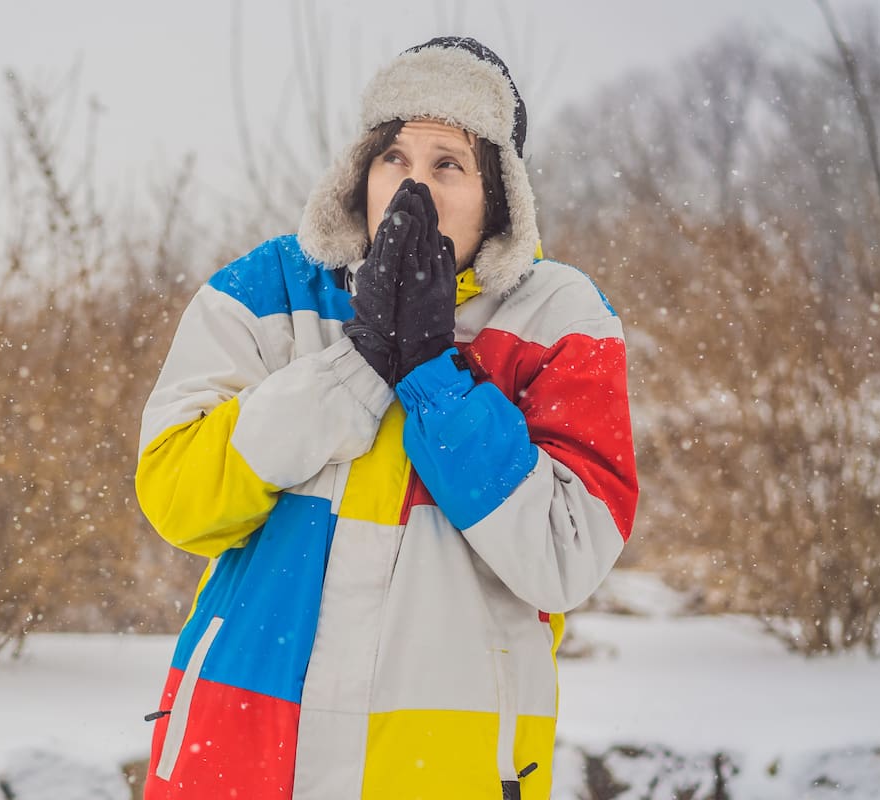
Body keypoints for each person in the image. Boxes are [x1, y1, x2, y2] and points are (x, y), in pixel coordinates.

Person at [135, 36, 638, 800]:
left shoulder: (560, 317)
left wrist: (433, 377)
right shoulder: (268, 288)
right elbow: (178, 500)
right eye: (394, 157)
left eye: (449, 164)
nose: (413, 187)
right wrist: (359, 364)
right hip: (242, 755)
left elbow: (564, 557)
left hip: (445, 771)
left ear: (500, 194)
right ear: (359, 171)